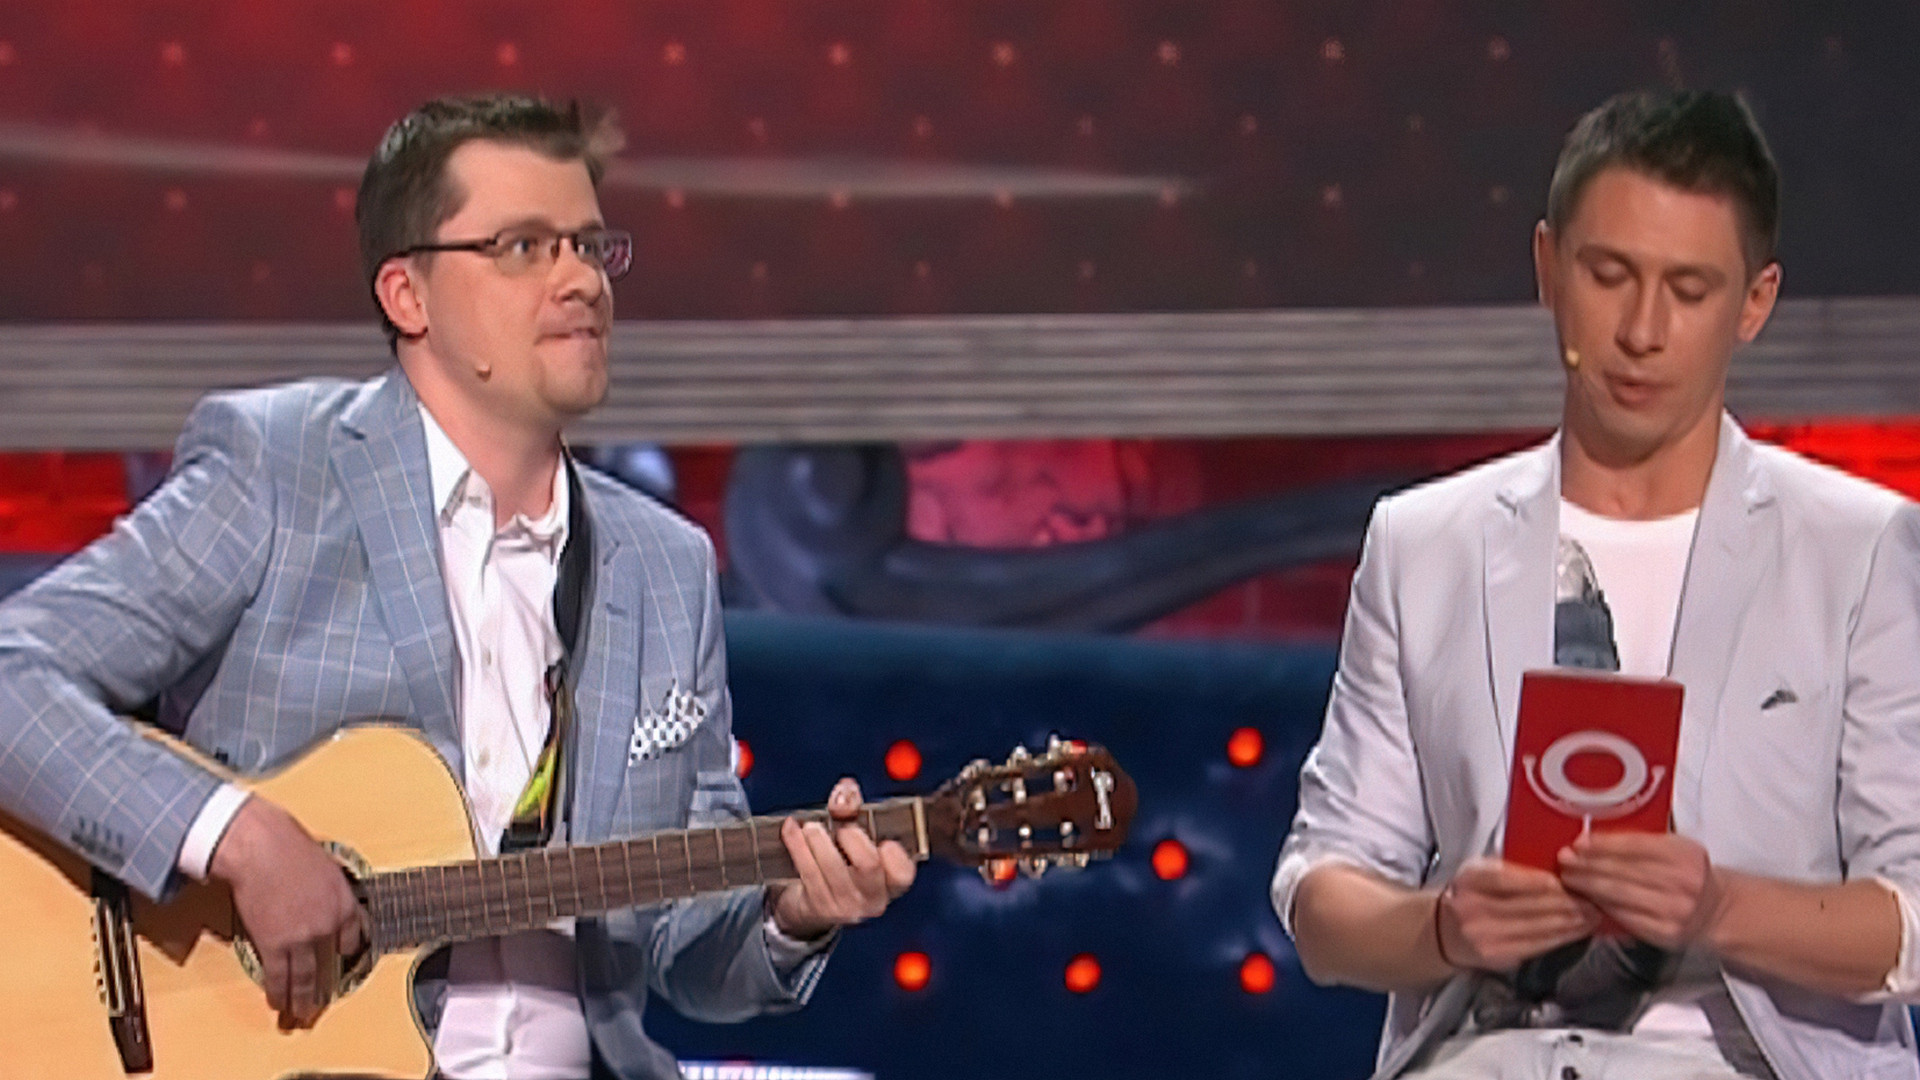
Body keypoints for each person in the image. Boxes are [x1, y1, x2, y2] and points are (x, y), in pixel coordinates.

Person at [0, 93, 914, 1079]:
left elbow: (690, 953)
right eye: (523, 247)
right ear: (409, 296)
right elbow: (14, 674)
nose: (581, 280)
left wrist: (792, 915)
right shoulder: (281, 470)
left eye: (590, 247)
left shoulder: (666, 566)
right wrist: (239, 837)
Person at [1272, 89, 1920, 1080]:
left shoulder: (1859, 549)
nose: (1643, 331)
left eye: (1689, 290)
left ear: (1755, 303)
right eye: (1609, 275)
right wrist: (1445, 927)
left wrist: (1720, 908)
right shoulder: (1424, 544)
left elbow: (1911, 915)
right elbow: (1325, 894)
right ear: (1548, 267)